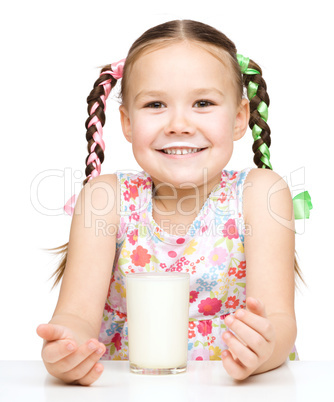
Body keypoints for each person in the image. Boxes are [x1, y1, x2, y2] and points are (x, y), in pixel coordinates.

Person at [36, 19, 308, 386]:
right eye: (155, 104)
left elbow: (279, 320)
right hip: (128, 390)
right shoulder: (105, 198)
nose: (179, 124)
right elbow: (75, 316)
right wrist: (65, 348)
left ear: (240, 118)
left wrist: (266, 347)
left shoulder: (261, 194)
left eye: (203, 102)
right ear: (127, 122)